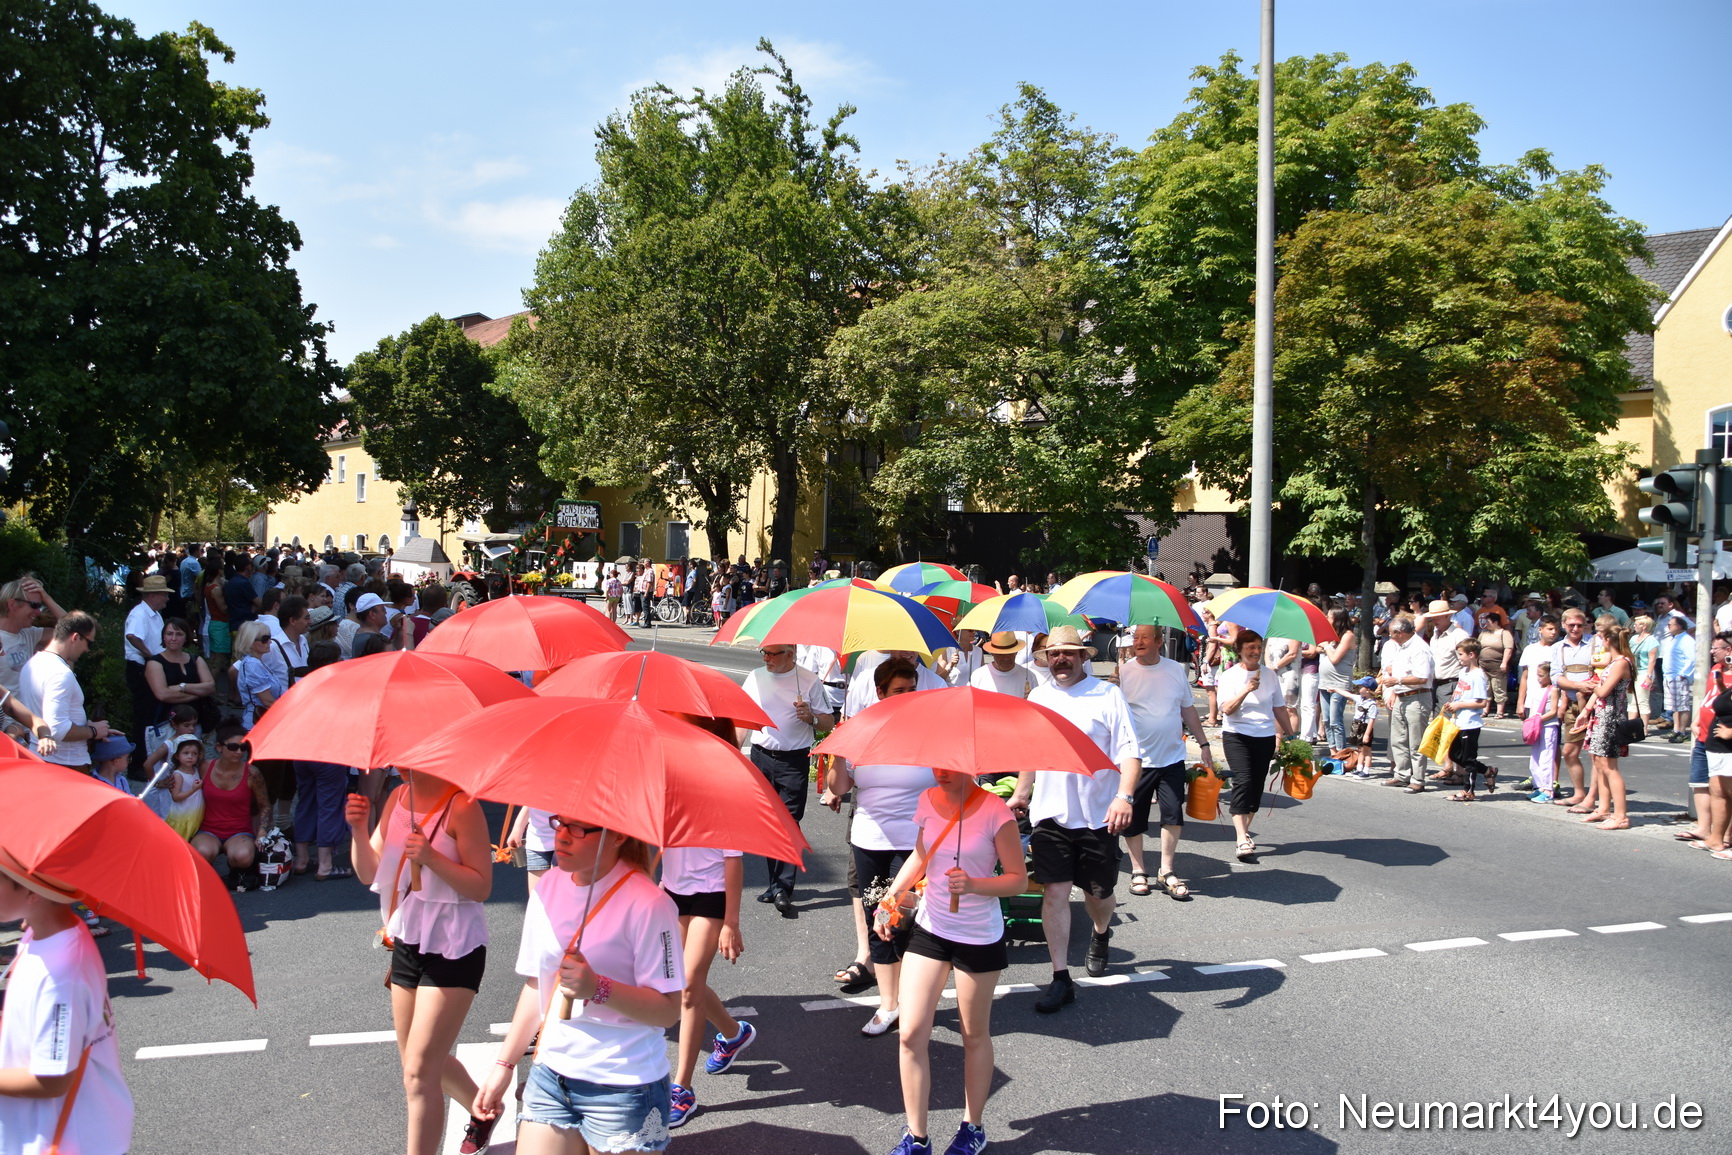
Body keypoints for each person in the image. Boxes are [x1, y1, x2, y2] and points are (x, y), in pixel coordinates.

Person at [473, 818, 684, 1155]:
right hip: (551, 1074)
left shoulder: (650, 903)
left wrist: (598, 987)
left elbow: (668, 1010)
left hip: (624, 1085)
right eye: (559, 822)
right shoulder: (548, 886)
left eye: (580, 828)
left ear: (617, 835)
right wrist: (504, 1066)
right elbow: (536, 985)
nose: (562, 836)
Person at [873, 767, 1024, 1155]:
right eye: (935, 763)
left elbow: (1017, 880)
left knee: (973, 1035)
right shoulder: (927, 801)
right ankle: (916, 1137)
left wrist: (974, 884)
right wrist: (891, 897)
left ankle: (972, 1127)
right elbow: (920, 856)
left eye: (950, 764)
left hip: (977, 936)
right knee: (910, 1033)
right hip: (931, 928)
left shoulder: (996, 813)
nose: (940, 771)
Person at [347, 769, 495, 1155]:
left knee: (418, 1072)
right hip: (408, 940)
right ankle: (483, 1107)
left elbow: (481, 885)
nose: (400, 758)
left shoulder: (462, 806)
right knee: (416, 1060)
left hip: (455, 945)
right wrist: (359, 831)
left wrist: (431, 857)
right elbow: (369, 872)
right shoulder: (398, 798)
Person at [1008, 625, 1140, 1013]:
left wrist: (1124, 796)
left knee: (1098, 894)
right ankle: (1060, 976)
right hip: (1051, 815)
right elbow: (1032, 751)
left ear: (1084, 656)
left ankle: (1100, 932)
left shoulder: (1107, 695)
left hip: (1099, 816)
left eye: (1068, 653)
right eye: (1054, 653)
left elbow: (1130, 752)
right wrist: (1021, 791)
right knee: (1054, 893)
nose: (1060, 659)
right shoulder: (1041, 697)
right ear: (1046, 659)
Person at [825, 659, 934, 1037]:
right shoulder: (861, 731)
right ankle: (889, 1006)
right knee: (881, 923)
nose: (906, 697)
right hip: (870, 840)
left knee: (908, 921)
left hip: (916, 845)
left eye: (911, 690)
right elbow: (838, 787)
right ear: (880, 693)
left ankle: (913, 999)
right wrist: (839, 751)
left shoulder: (930, 731)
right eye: (898, 691)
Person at [0, 866, 134, 1155]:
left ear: (32, 891)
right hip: (47, 1131)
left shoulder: (60, 974)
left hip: (69, 1139)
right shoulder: (43, 934)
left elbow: (52, 1079)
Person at [661, 718, 752, 1130]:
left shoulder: (724, 784)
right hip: (671, 891)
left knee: (687, 987)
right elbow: (655, 841)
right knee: (683, 981)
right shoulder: (668, 780)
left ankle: (682, 1089)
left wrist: (731, 922)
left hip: (711, 896)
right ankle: (733, 1033)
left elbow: (734, 860)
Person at [1117, 624, 1213, 900]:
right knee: (1134, 819)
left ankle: (1166, 870)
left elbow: (1187, 709)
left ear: (1159, 642)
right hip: (1137, 760)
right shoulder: (1123, 672)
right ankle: (1138, 871)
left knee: (1173, 814)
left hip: (1171, 756)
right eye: (1135, 638)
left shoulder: (1174, 670)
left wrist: (1204, 744)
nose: (1138, 642)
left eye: (1145, 637)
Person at [738, 644, 834, 917]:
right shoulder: (755, 677)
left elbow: (828, 722)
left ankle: (782, 887)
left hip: (793, 759)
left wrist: (811, 717)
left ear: (790, 653)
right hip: (761, 756)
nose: (766, 658)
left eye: (772, 653)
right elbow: (741, 718)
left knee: (789, 822)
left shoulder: (808, 680)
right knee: (770, 823)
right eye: (764, 653)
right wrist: (733, 752)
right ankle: (776, 884)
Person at [1217, 631, 1295, 857]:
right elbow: (1227, 709)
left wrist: (1291, 736)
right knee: (1243, 781)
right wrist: (1246, 689)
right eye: (1250, 647)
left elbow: (1279, 707)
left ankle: (1244, 832)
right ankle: (1241, 838)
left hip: (1264, 736)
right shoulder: (1229, 676)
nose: (1256, 651)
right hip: (1237, 735)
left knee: (1257, 786)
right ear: (1239, 649)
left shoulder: (1270, 675)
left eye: (1259, 647)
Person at [19, 612, 111, 771]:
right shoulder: (60, 673)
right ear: (75, 637)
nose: (87, 650)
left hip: (40, 757)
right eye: (89, 643)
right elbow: (57, 729)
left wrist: (89, 726)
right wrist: (93, 731)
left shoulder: (32, 664)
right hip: (65, 764)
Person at [1572, 625, 1635, 829]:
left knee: (1609, 767)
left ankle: (1621, 816)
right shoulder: (1614, 662)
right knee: (1598, 763)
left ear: (1608, 640)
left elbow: (1603, 690)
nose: (1599, 643)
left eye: (1601, 638)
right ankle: (1603, 809)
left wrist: (1592, 685)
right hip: (1601, 715)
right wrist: (1585, 712)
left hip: (1611, 717)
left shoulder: (1621, 663)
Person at [191, 722, 269, 888]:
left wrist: (261, 832)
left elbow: (265, 806)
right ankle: (207, 875)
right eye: (233, 747)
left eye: (243, 747)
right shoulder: (205, 767)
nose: (239, 752)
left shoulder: (252, 773)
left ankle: (237, 870)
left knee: (242, 857)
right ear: (219, 747)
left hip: (240, 831)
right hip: (208, 829)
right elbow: (179, 764)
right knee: (201, 853)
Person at [1377, 616, 1433, 792]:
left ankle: (1418, 779)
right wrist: (1394, 688)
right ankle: (1401, 774)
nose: (1390, 637)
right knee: (1398, 738)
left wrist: (1397, 680)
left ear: (1400, 633)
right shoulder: (1402, 647)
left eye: (1392, 633)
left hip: (1417, 696)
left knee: (1416, 741)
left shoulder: (1419, 648)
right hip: (1402, 695)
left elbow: (1422, 677)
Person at [122, 573, 173, 771]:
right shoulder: (139, 614)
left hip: (149, 666)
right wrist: (150, 656)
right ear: (153, 595)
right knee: (144, 716)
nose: (167, 599)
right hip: (141, 668)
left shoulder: (152, 613)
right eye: (164, 595)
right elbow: (132, 636)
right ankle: (138, 764)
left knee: (153, 715)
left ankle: (148, 760)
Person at [144, 615, 216, 742]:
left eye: (179, 634)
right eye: (169, 634)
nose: (174, 638)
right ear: (163, 636)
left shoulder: (196, 660)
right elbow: (163, 694)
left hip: (194, 723)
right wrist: (198, 693)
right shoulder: (155, 662)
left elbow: (210, 686)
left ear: (186, 637)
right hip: (166, 724)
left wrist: (183, 687)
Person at [1443, 639, 1492, 801]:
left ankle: (1468, 791)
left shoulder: (1478, 675)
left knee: (1468, 760)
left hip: (1470, 722)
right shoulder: (1463, 672)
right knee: (1455, 755)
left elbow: (1482, 702)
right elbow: (1460, 693)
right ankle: (1487, 771)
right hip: (1458, 721)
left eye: (1461, 655)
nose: (1459, 658)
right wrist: (1452, 704)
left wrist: (1460, 705)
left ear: (1472, 655)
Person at [0, 575, 63, 696]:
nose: (38, 611)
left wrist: (47, 598)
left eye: (40, 606)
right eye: (34, 605)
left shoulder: (30, 634)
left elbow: (74, 629)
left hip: (27, 714)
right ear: (12, 604)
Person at [1316, 610, 1356, 755]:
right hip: (1325, 682)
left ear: (1337, 618)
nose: (1326, 618)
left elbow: (1335, 658)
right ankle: (1333, 751)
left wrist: (1326, 646)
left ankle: (1342, 753)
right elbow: (1316, 648)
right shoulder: (1332, 636)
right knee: (1326, 720)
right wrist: (1325, 645)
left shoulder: (1348, 636)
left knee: (1335, 720)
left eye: (1329, 616)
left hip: (1339, 684)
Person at [231, 621, 283, 731]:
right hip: (258, 723)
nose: (269, 642)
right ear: (250, 642)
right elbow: (267, 701)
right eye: (264, 639)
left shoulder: (256, 662)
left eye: (270, 638)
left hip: (263, 721)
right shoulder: (252, 664)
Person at [163, 732, 208, 841]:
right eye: (186, 753)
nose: (190, 757)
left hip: (194, 815)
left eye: (194, 754)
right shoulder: (178, 775)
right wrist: (193, 789)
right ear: (177, 755)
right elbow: (176, 797)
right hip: (182, 817)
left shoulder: (196, 770)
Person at [1659, 612, 1695, 744]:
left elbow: (1691, 659)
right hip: (1669, 677)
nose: (1668, 627)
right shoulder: (1674, 639)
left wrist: (1683, 674)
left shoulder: (1687, 640)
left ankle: (1683, 731)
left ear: (1679, 626)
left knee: (1682, 706)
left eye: (1670, 625)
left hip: (1678, 677)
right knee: (1673, 706)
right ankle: (1676, 729)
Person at [968, 633, 1037, 697]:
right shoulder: (978, 676)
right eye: (1000, 654)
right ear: (992, 653)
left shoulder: (1029, 677)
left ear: (1016, 652)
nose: (1006, 658)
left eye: (1010, 653)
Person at [1475, 607, 1513, 719]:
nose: (1486, 623)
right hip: (1483, 664)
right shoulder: (1484, 633)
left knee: (1498, 687)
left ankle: (1500, 711)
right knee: (1485, 687)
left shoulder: (1504, 633)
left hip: (1497, 665)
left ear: (1495, 622)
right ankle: (1485, 710)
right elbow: (1477, 646)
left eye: (1488, 621)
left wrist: (1504, 663)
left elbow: (1508, 648)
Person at [1344, 677, 1380, 777]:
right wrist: (1335, 689)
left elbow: (1372, 720)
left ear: (1368, 690)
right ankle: (1359, 768)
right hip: (1357, 726)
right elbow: (1347, 694)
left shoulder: (1372, 704)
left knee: (1367, 750)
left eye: (1361, 687)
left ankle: (1366, 770)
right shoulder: (1360, 699)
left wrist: (1367, 734)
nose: (1359, 689)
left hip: (1365, 727)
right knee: (1359, 749)